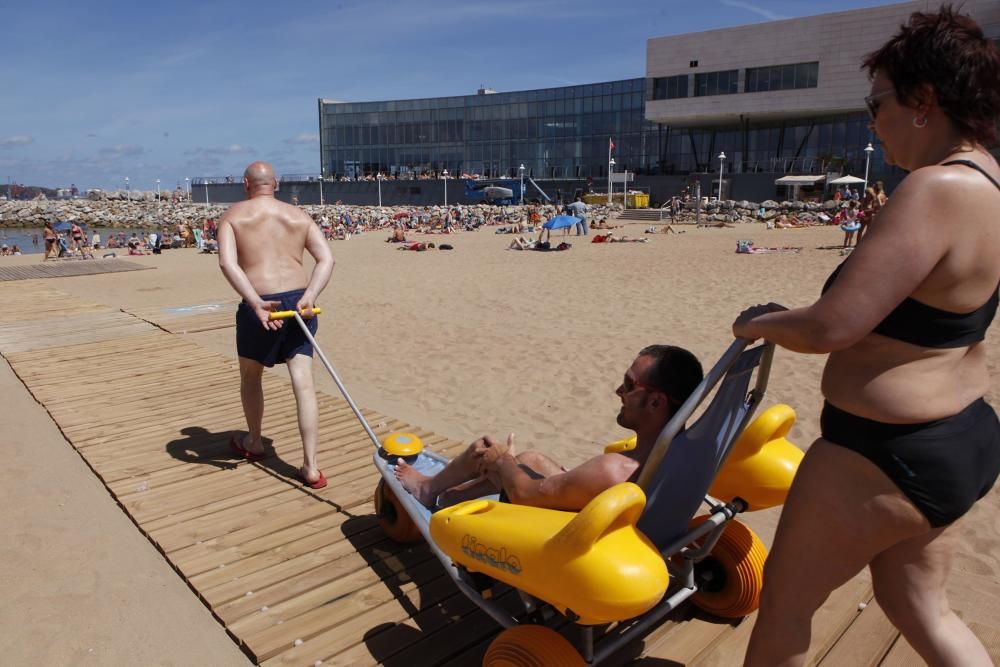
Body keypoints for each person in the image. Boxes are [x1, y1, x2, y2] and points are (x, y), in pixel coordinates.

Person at [735, 8, 1000, 666]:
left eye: (874, 101)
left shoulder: (934, 188)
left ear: (924, 101)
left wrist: (759, 320)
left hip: (881, 454)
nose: (870, 118)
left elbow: (833, 324)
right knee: (920, 606)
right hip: (958, 438)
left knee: (785, 608)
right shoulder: (991, 181)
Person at [395, 345, 703, 511]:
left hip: (554, 535)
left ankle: (428, 489)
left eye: (628, 384)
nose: (617, 392)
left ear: (655, 403)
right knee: (531, 460)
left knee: (485, 450)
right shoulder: (690, 453)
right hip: (610, 517)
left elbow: (525, 494)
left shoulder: (614, 471)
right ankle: (447, 499)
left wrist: (503, 461)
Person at [218, 161, 335, 490]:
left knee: (251, 375)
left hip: (262, 303)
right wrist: (311, 294)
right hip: (299, 303)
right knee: (304, 383)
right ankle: (311, 467)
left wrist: (254, 302)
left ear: (245, 184)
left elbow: (227, 262)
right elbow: (327, 258)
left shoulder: (234, 216)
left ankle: (255, 441)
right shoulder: (298, 216)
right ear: (277, 183)